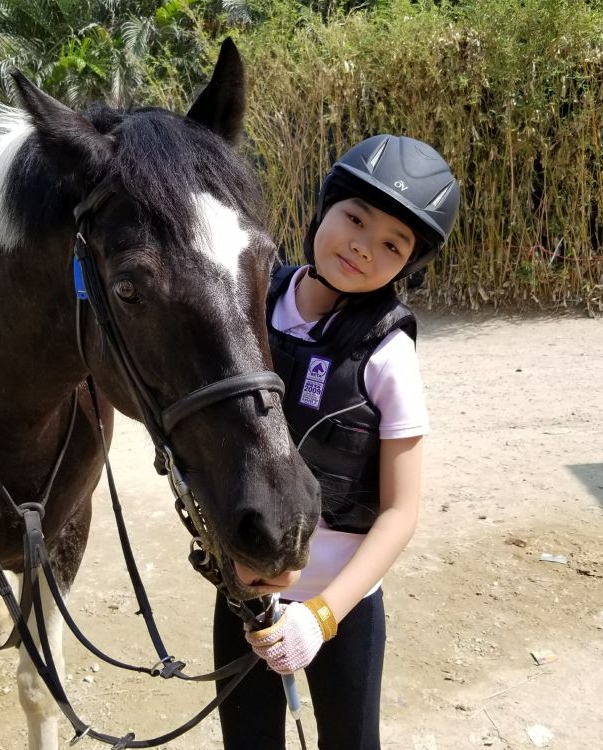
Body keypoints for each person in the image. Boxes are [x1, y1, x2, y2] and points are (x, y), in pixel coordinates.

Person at [213, 134, 460, 749]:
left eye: (392, 244)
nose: (361, 246)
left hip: (339, 610)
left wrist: (321, 618)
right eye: (354, 218)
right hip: (244, 591)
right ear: (323, 210)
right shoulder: (248, 306)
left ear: (409, 264)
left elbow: (401, 511)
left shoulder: (387, 353)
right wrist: (229, 554)